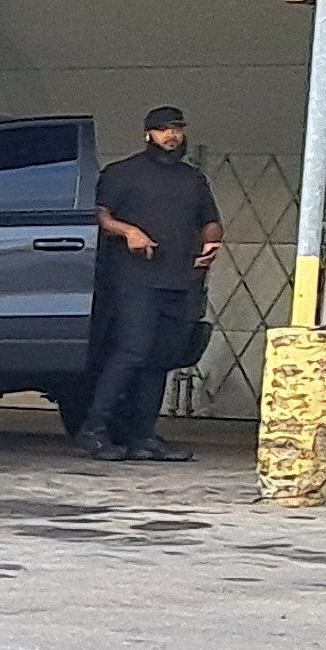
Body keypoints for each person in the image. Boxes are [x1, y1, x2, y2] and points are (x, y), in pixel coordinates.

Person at [78, 103, 223, 461]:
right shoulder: (122, 173)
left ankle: (143, 437)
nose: (170, 136)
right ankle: (93, 430)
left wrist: (212, 242)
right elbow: (98, 214)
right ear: (148, 135)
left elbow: (210, 220)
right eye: (163, 130)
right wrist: (128, 231)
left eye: (176, 129)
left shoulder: (193, 179)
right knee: (132, 351)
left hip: (180, 279)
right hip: (134, 279)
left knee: (161, 359)